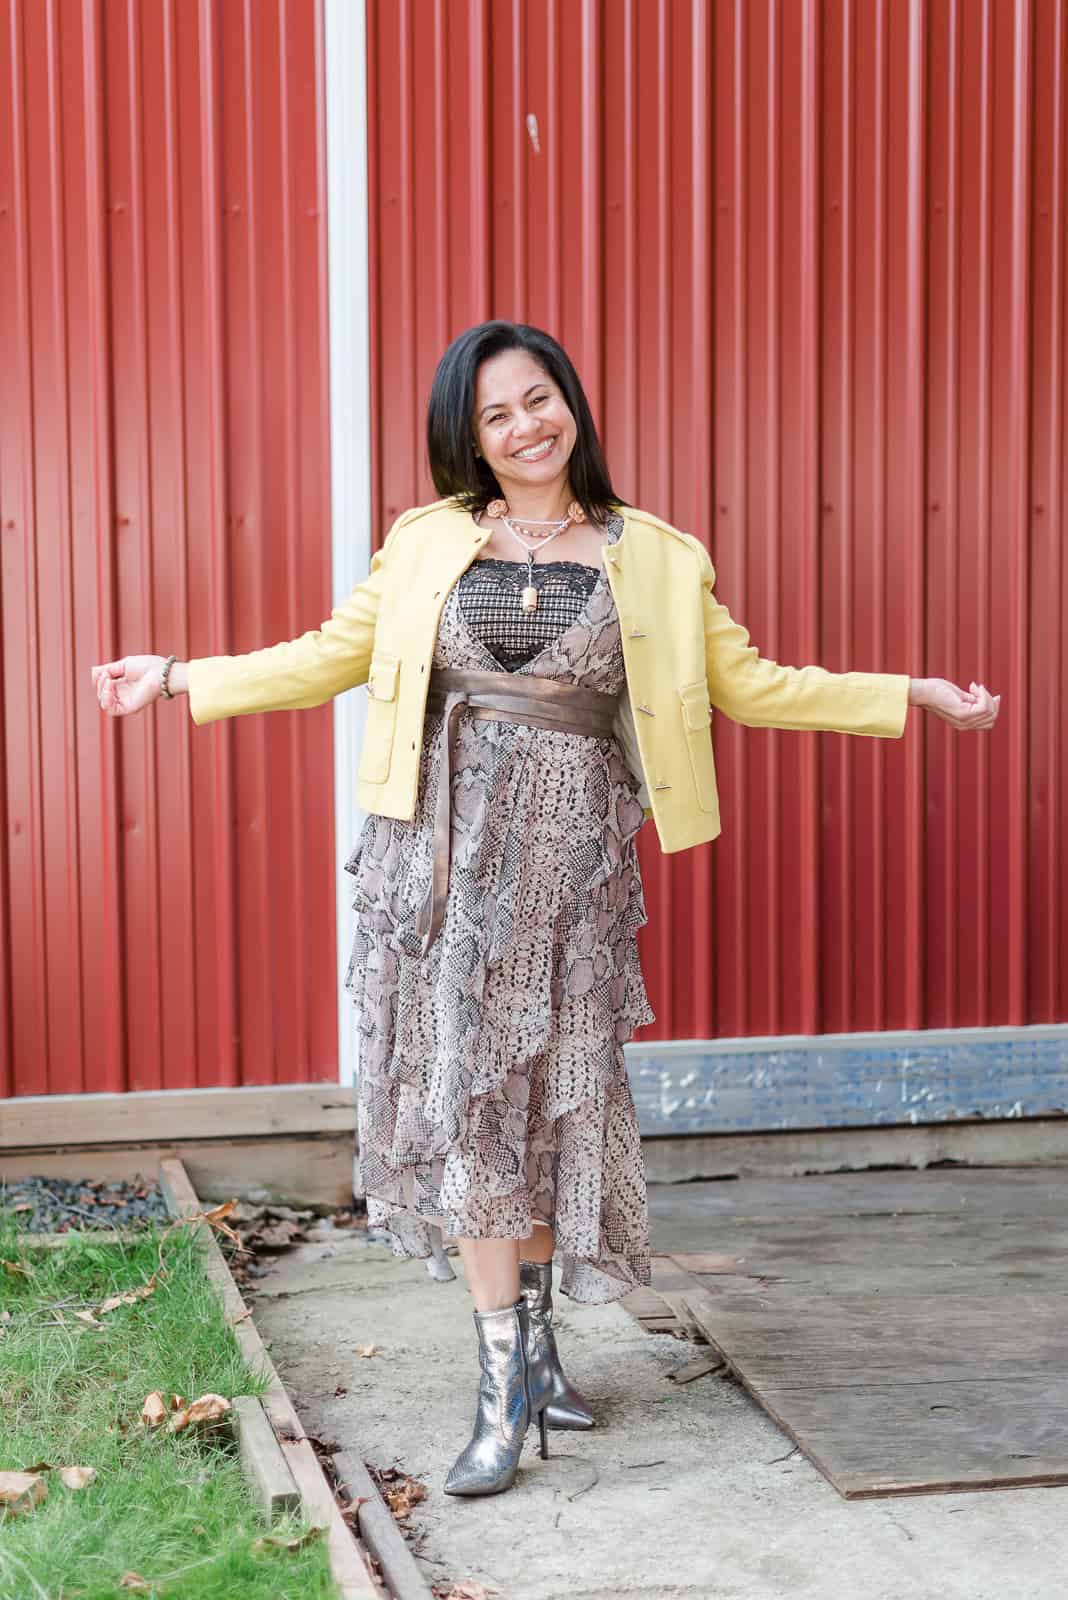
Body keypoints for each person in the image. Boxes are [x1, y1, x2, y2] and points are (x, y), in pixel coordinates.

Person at [91, 320, 1000, 1498]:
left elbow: (755, 684)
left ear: (571, 401)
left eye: (538, 400)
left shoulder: (655, 556)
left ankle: (540, 1355)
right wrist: (178, 676)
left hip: (569, 878)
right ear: (466, 437)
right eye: (495, 415)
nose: (525, 428)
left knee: (543, 1106)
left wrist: (909, 693)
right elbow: (326, 656)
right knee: (475, 1104)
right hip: (441, 868)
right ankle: (501, 1391)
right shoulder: (427, 545)